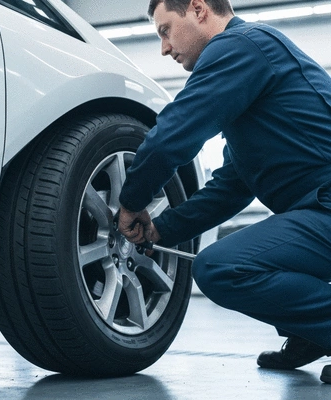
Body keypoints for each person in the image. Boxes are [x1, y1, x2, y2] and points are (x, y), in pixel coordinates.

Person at [117, 0, 331, 384]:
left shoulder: (240, 46)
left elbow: (173, 135)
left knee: (221, 267)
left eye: (165, 30)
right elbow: (232, 188)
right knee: (256, 252)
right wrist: (161, 229)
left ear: (198, 9)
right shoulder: (252, 81)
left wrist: (131, 201)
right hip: (318, 212)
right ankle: (313, 332)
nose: (164, 48)